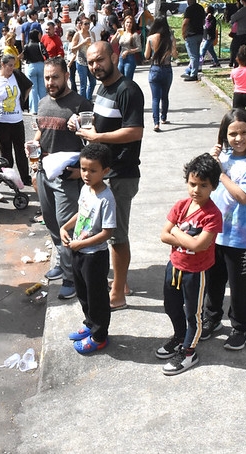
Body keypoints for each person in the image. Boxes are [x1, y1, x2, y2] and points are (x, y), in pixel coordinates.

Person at [77, 42, 144, 310]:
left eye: (100, 60)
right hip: (106, 172)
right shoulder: (102, 86)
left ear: (114, 57)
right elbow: (103, 122)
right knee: (111, 231)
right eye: (91, 62)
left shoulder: (128, 90)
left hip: (121, 173)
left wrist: (98, 136)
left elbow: (135, 131)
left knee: (116, 235)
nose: (96, 66)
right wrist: (83, 126)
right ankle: (121, 282)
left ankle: (117, 294)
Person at [202, 109, 246, 351]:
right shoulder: (223, 158)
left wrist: (220, 171)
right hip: (214, 234)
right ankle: (213, 318)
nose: (238, 138)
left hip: (241, 238)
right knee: (213, 282)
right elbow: (202, 187)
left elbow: (242, 197)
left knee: (239, 287)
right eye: (232, 134)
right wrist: (211, 162)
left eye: (244, 133)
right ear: (224, 135)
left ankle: (241, 327)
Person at [157, 153, 222, 375]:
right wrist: (182, 237)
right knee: (171, 305)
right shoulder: (182, 205)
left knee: (193, 313)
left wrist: (175, 230)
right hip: (174, 265)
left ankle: (189, 352)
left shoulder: (212, 215)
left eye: (203, 185)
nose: (196, 190)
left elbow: (200, 246)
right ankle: (179, 336)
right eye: (192, 184)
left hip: (196, 272)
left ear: (213, 186)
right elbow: (163, 235)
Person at [34, 58, 92, 300]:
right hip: (43, 172)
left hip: (66, 177)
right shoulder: (43, 102)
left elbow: (93, 142)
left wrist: (78, 128)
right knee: (51, 224)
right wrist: (34, 144)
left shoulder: (80, 104)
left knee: (67, 225)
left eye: (55, 77)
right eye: (47, 78)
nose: (50, 82)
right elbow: (41, 130)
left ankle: (72, 277)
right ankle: (63, 264)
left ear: (66, 76)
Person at [60, 143, 116, 354]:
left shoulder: (106, 198)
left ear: (105, 171)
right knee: (82, 292)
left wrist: (81, 244)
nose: (86, 174)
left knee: (97, 297)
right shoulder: (85, 189)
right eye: (83, 169)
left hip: (95, 255)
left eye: (93, 170)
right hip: (78, 251)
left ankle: (100, 336)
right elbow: (81, 212)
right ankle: (89, 323)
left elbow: (107, 232)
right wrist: (66, 226)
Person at [0, 54, 31, 186]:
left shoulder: (17, 75)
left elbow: (29, 85)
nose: (12, 68)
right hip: (1, 120)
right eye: (10, 65)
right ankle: (8, 177)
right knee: (5, 151)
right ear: (3, 65)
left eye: (14, 65)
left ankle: (24, 177)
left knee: (20, 150)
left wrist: (22, 100)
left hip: (16, 119)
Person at [144, 16, 177, 132]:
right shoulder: (170, 38)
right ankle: (164, 117)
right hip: (167, 69)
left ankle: (156, 123)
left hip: (155, 69)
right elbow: (175, 55)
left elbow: (146, 56)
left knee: (155, 98)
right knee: (165, 96)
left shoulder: (150, 38)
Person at [22, 29, 48, 115]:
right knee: (42, 88)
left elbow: (24, 57)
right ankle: (44, 107)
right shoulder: (40, 44)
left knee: (33, 89)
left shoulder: (27, 45)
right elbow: (46, 54)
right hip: (40, 65)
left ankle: (34, 109)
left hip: (31, 66)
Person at [227, 0, 246, 69]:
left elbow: (233, 17)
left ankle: (236, 66)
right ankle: (236, 64)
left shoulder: (244, 9)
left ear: (243, 0)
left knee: (235, 49)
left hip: (241, 32)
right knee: (240, 49)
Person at [181, 0, 205, 80]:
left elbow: (185, 22)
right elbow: (203, 21)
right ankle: (190, 70)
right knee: (196, 54)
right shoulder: (201, 8)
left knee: (193, 55)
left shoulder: (189, 9)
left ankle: (193, 74)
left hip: (191, 34)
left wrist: (183, 33)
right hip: (200, 33)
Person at [71, 17, 95, 99]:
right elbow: (72, 49)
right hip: (81, 62)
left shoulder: (92, 34)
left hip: (91, 61)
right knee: (83, 84)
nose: (87, 25)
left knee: (93, 82)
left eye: (89, 23)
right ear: (80, 25)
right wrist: (83, 43)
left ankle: (88, 99)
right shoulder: (78, 35)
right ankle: (83, 102)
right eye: (85, 24)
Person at [113, 15, 141, 81]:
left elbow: (139, 48)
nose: (129, 24)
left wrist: (128, 51)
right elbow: (113, 42)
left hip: (130, 59)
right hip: (121, 58)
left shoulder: (134, 34)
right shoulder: (122, 33)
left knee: (127, 80)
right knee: (119, 79)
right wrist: (117, 33)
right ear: (124, 23)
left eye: (130, 22)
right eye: (127, 22)